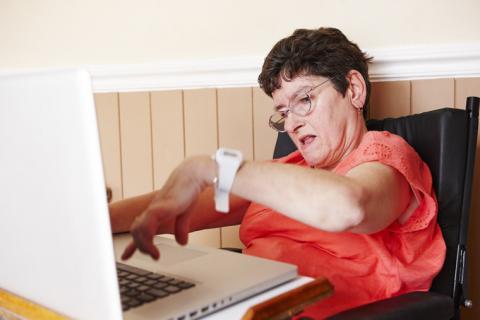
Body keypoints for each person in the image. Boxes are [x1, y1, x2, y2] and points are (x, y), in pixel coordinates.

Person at [109, 27, 446, 319]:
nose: (292, 123)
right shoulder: (290, 170)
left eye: (305, 100)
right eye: (283, 111)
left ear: (354, 90)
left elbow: (349, 207)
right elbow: (179, 205)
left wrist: (213, 168)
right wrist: (95, 219)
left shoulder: (385, 156)